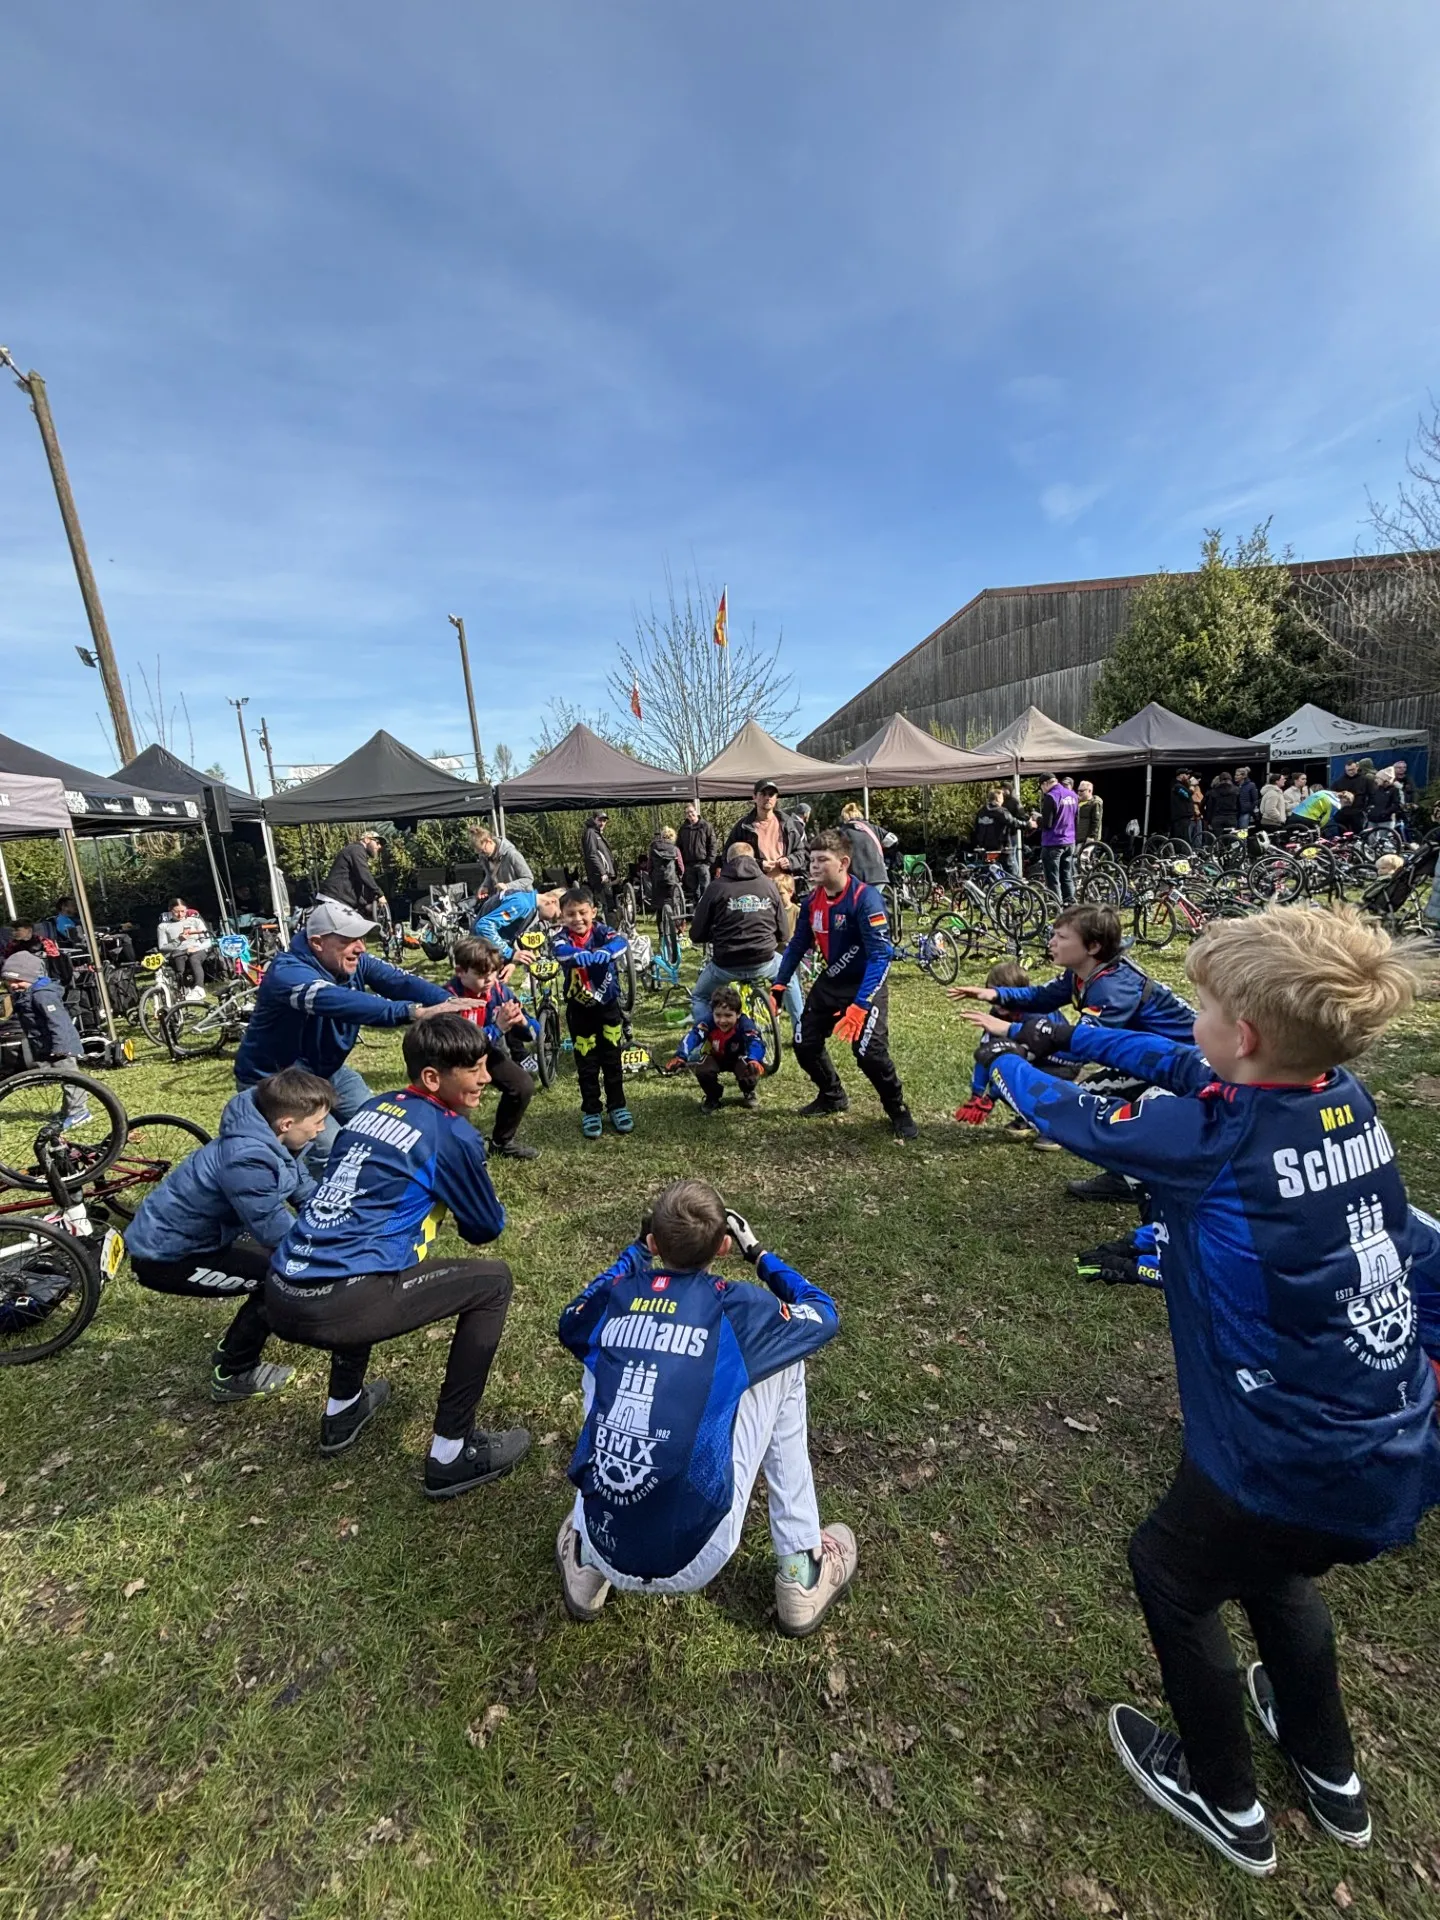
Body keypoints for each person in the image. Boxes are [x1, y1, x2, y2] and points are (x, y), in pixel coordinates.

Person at [961, 905, 1439, 1875]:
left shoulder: (1212, 1143)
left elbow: (1074, 1114)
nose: (1196, 1020)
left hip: (1274, 1449)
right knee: (1277, 1570)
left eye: (1207, 1007)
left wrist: (1012, 1059)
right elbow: (1192, 1071)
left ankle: (1226, 1797)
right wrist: (1074, 1030)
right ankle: (1331, 1773)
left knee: (1172, 1575)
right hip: (1381, 1443)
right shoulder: (1339, 1099)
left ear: (1247, 1035)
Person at [553, 1178, 856, 1636]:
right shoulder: (738, 1306)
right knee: (785, 1362)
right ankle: (801, 1568)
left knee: (602, 1355)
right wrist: (761, 1255)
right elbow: (823, 1313)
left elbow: (570, 1320)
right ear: (723, 1248)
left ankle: (584, 1562)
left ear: (655, 1242)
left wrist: (635, 1253)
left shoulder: (615, 1297)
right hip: (702, 1551)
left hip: (604, 1540)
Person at [265, 1013, 531, 1497]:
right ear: (433, 1077)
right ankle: (453, 1453)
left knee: (363, 1258)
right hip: (341, 1303)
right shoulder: (452, 1135)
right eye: (474, 1069)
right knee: (493, 1282)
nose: (487, 1078)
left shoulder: (371, 1108)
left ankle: (342, 1412)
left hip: (280, 1289)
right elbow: (484, 1230)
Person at [950, 903, 1195, 1191]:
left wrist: (1011, 1031)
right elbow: (1042, 996)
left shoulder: (1111, 988)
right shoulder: (1083, 973)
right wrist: (995, 993)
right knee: (1090, 1103)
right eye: (1053, 934)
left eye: (1062, 937)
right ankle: (1128, 1177)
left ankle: (1138, 1179)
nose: (1052, 942)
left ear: (1092, 946)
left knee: (1090, 1105)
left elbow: (1084, 1044)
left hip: (1182, 1063)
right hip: (1149, 1057)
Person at [124, 1069, 333, 1402]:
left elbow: (303, 1189)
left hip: (205, 1239)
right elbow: (272, 1229)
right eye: (318, 1121)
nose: (322, 1128)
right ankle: (234, 1372)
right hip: (168, 1256)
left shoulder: (271, 1136)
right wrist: (328, 1253)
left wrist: (334, 1220)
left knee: (279, 1268)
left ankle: (231, 1350)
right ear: (287, 1124)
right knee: (279, 1279)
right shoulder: (247, 1159)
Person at [235, 898, 472, 1176]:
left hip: (326, 1071)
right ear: (317, 942)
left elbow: (400, 981)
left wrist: (450, 1004)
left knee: (383, 1125)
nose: (360, 947)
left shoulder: (352, 961)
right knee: (331, 1150)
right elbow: (338, 1000)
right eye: (348, 939)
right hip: (276, 1080)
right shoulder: (288, 974)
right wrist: (412, 1012)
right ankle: (329, 1212)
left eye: (360, 938)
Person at [772, 829, 917, 1140]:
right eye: (811, 860)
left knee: (868, 1052)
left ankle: (897, 1109)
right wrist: (779, 986)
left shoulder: (866, 899)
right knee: (803, 1042)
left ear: (843, 863)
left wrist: (861, 1005)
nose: (813, 866)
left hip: (866, 985)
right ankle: (832, 1095)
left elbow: (881, 956)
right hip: (832, 981)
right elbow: (797, 945)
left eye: (822, 860)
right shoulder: (812, 902)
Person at [687, 842, 803, 1037]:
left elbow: (696, 933)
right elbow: (784, 932)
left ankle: (707, 1040)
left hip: (726, 963)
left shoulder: (716, 887)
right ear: (753, 859)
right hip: (764, 960)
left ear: (728, 861)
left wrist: (714, 935)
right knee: (789, 978)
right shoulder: (768, 885)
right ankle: (801, 1032)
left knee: (700, 996)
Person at [447, 936, 541, 1161]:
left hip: (487, 1051)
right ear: (460, 971)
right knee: (461, 1105)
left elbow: (534, 1032)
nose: (489, 980)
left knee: (522, 1085)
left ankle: (502, 1142)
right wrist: (498, 1028)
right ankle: (462, 1153)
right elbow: (463, 1047)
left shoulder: (499, 990)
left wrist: (522, 1023)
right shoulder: (448, 996)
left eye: (492, 973)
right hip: (454, 1059)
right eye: (481, 975)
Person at [551, 887, 633, 1139]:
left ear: (593, 912)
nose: (577, 919)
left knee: (612, 1058)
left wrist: (605, 952)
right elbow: (560, 952)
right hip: (579, 1010)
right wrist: (580, 955)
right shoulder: (560, 937)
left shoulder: (602, 932)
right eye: (571, 914)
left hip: (608, 1007)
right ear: (562, 917)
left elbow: (621, 942)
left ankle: (617, 1106)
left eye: (582, 912)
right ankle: (591, 1110)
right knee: (586, 1063)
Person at [1, 949, 88, 1122]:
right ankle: (67, 1110)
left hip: (62, 1046)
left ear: (33, 977)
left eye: (18, 980)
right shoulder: (26, 994)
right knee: (64, 1079)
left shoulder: (43, 995)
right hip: (47, 1045)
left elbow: (59, 1023)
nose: (13, 985)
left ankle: (79, 1112)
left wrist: (61, 1048)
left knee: (72, 1079)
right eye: (9, 981)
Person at [666, 983, 767, 1113]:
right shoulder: (707, 1022)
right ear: (711, 1013)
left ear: (738, 1014)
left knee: (750, 1068)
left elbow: (756, 1041)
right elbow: (693, 1036)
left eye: (728, 1015)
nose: (722, 1020)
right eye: (718, 1015)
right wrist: (680, 1056)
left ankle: (748, 1091)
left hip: (739, 1057)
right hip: (715, 1056)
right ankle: (712, 1097)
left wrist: (754, 1058)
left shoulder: (745, 1024)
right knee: (703, 1069)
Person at [468, 825, 538, 956]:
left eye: (483, 851)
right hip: (504, 903)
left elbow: (528, 878)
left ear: (489, 841)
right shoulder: (485, 858)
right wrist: (484, 886)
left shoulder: (512, 855)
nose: (482, 855)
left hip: (523, 905)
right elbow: (490, 876)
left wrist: (508, 886)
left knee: (527, 945)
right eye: (479, 853)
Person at [156, 897, 213, 1002]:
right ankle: (182, 990)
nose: (180, 915)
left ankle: (199, 989)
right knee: (179, 958)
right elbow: (162, 947)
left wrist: (197, 947)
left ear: (187, 909)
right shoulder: (163, 926)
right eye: (176, 912)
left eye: (183, 911)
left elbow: (207, 941)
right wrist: (178, 940)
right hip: (177, 952)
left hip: (197, 950)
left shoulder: (195, 921)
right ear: (170, 910)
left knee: (194, 959)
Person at [320, 832, 386, 916]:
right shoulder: (356, 849)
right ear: (367, 839)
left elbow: (357, 884)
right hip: (334, 898)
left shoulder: (356, 851)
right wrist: (380, 894)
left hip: (339, 899)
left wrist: (364, 905)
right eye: (377, 842)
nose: (379, 846)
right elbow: (364, 875)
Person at [1038, 773, 1079, 904]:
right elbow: (1076, 818)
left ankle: (1056, 906)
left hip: (1053, 842)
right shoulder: (1073, 795)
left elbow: (1047, 823)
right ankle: (1070, 904)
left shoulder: (1051, 797)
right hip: (1070, 840)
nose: (1042, 791)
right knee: (1067, 876)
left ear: (1045, 784)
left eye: (1041, 787)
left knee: (1053, 878)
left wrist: (1037, 819)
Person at [972, 788, 1030, 874]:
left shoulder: (981, 811)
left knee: (990, 869)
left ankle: (991, 885)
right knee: (1011, 870)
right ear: (998, 798)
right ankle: (1014, 887)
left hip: (987, 848)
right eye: (1002, 797)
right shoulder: (1001, 811)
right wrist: (1028, 824)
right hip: (1002, 848)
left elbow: (976, 828)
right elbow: (1013, 822)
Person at [676, 801, 718, 905]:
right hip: (689, 865)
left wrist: (709, 862)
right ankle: (697, 913)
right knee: (693, 892)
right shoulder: (683, 829)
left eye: (691, 812)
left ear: (696, 811)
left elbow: (713, 844)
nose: (690, 815)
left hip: (703, 863)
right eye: (687, 813)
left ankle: (707, 912)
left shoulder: (706, 826)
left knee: (705, 889)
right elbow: (678, 847)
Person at [839, 801, 888, 887]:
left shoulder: (843, 832)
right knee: (873, 899)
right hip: (879, 875)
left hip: (857, 877)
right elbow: (893, 839)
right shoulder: (873, 828)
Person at [648, 825, 687, 933]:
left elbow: (649, 866)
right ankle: (676, 932)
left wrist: (653, 877)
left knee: (660, 908)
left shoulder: (653, 848)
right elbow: (681, 867)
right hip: (671, 881)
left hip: (658, 882)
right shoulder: (675, 849)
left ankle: (661, 934)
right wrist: (679, 877)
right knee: (674, 906)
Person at [581, 811, 617, 916]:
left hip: (606, 875)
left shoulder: (597, 834)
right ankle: (605, 930)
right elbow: (592, 855)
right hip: (599, 876)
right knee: (605, 906)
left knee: (610, 905)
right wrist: (603, 872)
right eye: (600, 820)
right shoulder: (590, 833)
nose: (602, 823)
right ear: (593, 819)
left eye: (604, 821)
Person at [1204, 771, 1240, 836]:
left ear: (1220, 780)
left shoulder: (1213, 792)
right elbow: (1239, 805)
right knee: (1232, 838)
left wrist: (1208, 820)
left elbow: (1209, 807)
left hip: (1217, 818)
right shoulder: (1236, 790)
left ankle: (1220, 845)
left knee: (1218, 839)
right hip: (1231, 817)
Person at [1169, 770, 1197, 847]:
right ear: (1180, 775)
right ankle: (1180, 855)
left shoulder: (1182, 785)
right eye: (1186, 774)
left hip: (1185, 817)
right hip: (1180, 818)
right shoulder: (1176, 786)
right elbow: (1187, 795)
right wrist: (1192, 786)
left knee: (1186, 838)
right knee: (1182, 839)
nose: (1188, 776)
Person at [1075, 780, 1104, 850]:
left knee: (1083, 858)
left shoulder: (1095, 803)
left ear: (1089, 791)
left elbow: (1096, 821)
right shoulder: (1077, 802)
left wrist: (1092, 836)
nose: (1079, 793)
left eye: (1082, 791)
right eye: (1078, 790)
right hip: (1077, 837)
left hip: (1087, 838)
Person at [1234, 767, 1260, 832]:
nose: (1235, 777)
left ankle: (1243, 842)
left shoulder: (1251, 785)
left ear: (1243, 776)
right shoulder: (1235, 786)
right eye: (1235, 775)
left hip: (1245, 812)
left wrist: (1250, 809)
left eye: (1237, 775)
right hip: (1235, 812)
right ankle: (1237, 841)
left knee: (1243, 830)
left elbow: (1255, 800)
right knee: (1235, 831)